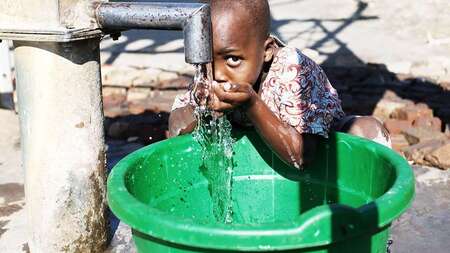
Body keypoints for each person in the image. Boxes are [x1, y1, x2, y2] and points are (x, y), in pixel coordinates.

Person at [169, 0, 390, 169]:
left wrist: (251, 104)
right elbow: (177, 126)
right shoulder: (209, 76)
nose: (217, 74)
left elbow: (302, 157)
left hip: (321, 158)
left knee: (367, 131)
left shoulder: (293, 71)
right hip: (261, 163)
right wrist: (199, 112)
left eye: (233, 59)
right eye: (207, 60)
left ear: (266, 51)